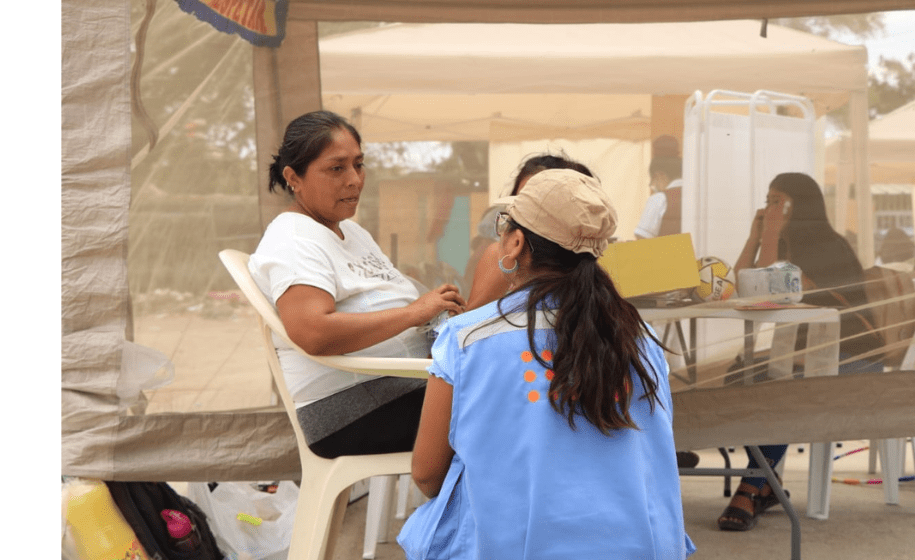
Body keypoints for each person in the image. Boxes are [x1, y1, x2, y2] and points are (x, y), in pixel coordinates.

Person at [398, 168, 696, 559]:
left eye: (504, 225)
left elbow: (426, 475)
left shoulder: (466, 340)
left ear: (516, 242)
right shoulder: (640, 342)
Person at [248, 110, 465, 460]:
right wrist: (413, 313)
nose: (355, 180)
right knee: (509, 407)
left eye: (359, 164)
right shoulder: (294, 239)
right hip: (349, 410)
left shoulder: (349, 230)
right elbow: (313, 332)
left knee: (516, 385)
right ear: (293, 177)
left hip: (396, 389)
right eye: (337, 168)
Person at [719, 172, 884, 532]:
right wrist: (756, 236)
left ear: (801, 206)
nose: (770, 208)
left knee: (778, 387)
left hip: (855, 359)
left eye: (779, 201)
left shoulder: (826, 246)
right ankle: (765, 483)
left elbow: (772, 292)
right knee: (741, 375)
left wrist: (772, 235)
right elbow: (744, 287)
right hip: (812, 355)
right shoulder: (786, 241)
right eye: (768, 199)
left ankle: (752, 486)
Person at [463, 154, 595, 311]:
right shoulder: (503, 256)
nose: (526, 212)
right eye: (521, 201)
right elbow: (471, 323)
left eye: (538, 202)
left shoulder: (584, 255)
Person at [634, 135, 683, 239]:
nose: (652, 185)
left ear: (660, 175)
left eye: (653, 180)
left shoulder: (659, 199)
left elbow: (642, 238)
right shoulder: (699, 198)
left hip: (668, 254)